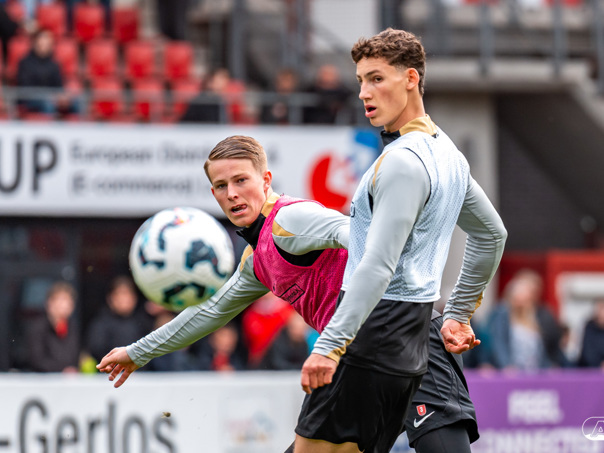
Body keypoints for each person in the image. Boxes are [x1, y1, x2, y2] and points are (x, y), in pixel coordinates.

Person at [97, 131, 505, 452]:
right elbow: (210, 312)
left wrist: (446, 307)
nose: (232, 193)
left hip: (406, 332)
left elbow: (362, 235)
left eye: (241, 180)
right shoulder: (257, 259)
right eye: (221, 186)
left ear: (266, 180)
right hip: (362, 354)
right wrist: (137, 352)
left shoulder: (290, 220)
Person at [297, 28, 507, 452]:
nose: (364, 92)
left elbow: (377, 266)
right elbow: (491, 235)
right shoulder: (448, 155)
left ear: (411, 78)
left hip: (371, 332)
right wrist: (458, 313)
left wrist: (329, 345)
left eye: (376, 78)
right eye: (360, 81)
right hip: (414, 340)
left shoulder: (401, 162)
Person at [488, 269, 564, 370]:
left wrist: (549, 365)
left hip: (534, 371)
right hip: (512, 371)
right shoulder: (502, 313)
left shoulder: (536, 316)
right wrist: (506, 365)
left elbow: (541, 349)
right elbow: (499, 343)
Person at [86, 276, 152, 364]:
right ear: (110, 298)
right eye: (120, 294)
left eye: (127, 294)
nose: (124, 299)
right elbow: (96, 350)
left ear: (134, 298)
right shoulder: (100, 324)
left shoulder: (143, 322)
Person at [25, 281, 80, 373]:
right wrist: (61, 370)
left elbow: (74, 356)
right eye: (61, 300)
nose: (65, 306)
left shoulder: (72, 327)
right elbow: (36, 359)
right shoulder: (38, 327)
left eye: (68, 301)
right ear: (50, 303)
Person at [578, 299, 604, 368]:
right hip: (590, 369)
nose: (600, 312)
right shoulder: (589, 328)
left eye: (602, 308)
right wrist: (599, 364)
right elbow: (587, 354)